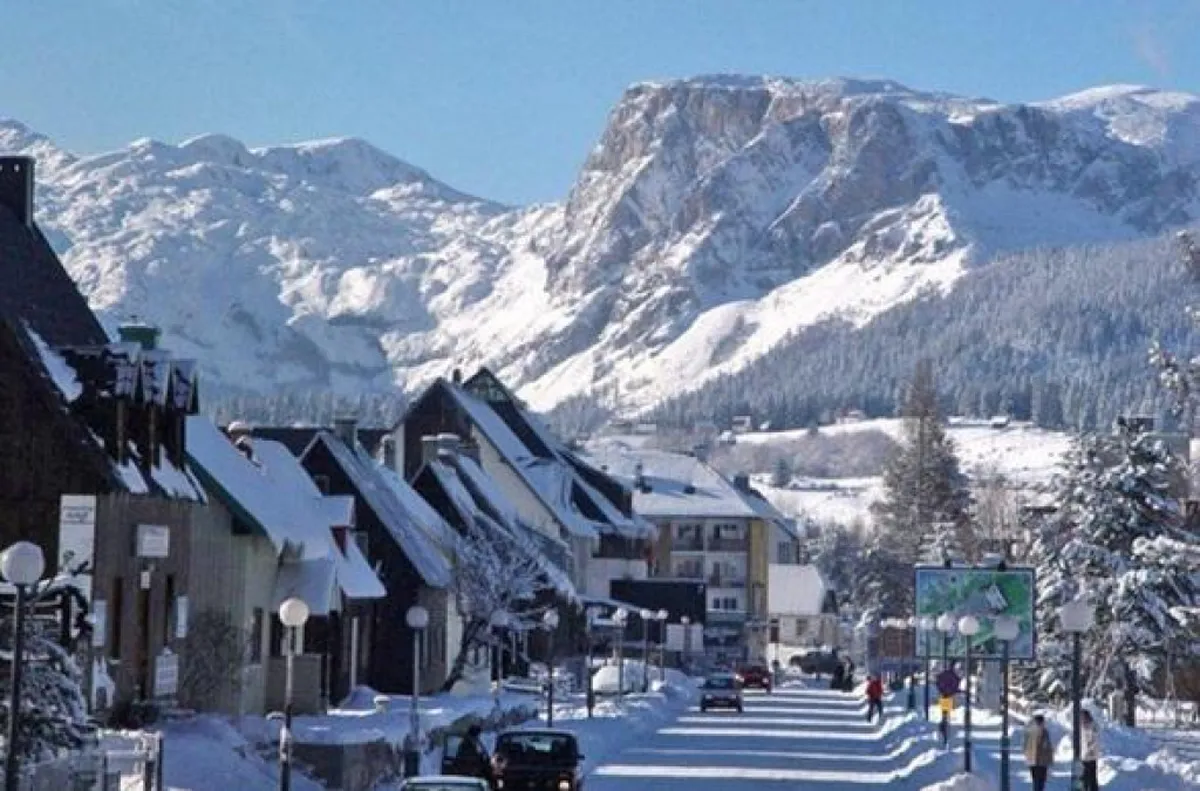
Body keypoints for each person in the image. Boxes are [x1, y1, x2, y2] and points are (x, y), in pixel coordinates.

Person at [1022, 714, 1054, 791]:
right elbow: (1046, 746)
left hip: (1031, 760)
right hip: (1041, 760)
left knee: (1036, 780)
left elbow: (1025, 745)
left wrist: (1027, 756)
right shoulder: (1044, 732)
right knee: (1040, 781)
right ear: (1042, 722)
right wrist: (1050, 759)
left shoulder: (1029, 731)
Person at [1081, 709, 1100, 791]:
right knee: (1085, 776)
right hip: (1084, 755)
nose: (1082, 719)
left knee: (1090, 776)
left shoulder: (1092, 726)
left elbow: (1094, 740)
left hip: (1090, 755)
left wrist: (1089, 749)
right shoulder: (1082, 727)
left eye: (1082, 717)